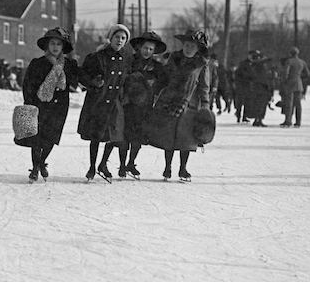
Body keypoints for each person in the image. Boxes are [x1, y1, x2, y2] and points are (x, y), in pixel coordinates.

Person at [144, 29, 211, 183]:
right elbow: (164, 78)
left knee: (185, 139)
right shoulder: (174, 58)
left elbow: (204, 87)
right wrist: (154, 92)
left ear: (198, 49)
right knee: (168, 137)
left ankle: (183, 168)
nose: (188, 48)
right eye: (186, 45)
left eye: (192, 46)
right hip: (169, 101)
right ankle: (167, 167)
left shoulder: (202, 64)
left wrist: (205, 104)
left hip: (189, 105)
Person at [16, 28, 79, 182]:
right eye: (52, 43)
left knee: (51, 139)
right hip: (39, 106)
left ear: (63, 47)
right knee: (36, 139)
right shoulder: (38, 63)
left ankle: (42, 161)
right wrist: (29, 103)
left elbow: (78, 81)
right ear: (47, 45)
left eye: (59, 44)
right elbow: (28, 84)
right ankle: (35, 168)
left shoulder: (69, 64)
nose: (55, 47)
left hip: (59, 107)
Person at [77, 24, 132, 182]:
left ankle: (103, 164)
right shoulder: (97, 57)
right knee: (96, 136)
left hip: (116, 103)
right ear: (111, 38)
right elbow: (83, 74)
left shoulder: (127, 59)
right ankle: (92, 167)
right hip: (99, 102)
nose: (119, 41)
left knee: (114, 135)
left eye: (123, 38)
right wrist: (93, 82)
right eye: (117, 37)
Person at [118, 30, 167, 179]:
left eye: (151, 49)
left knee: (138, 138)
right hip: (128, 105)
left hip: (145, 106)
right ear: (139, 47)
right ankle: (121, 165)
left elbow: (164, 83)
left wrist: (155, 92)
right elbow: (122, 79)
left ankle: (131, 163)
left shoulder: (157, 67)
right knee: (124, 137)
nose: (147, 51)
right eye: (145, 48)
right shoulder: (129, 62)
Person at [280, 46, 310, 128]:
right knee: (298, 104)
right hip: (299, 84)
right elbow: (307, 74)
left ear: (290, 53)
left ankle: (288, 120)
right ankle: (298, 121)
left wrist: (284, 81)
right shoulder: (302, 62)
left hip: (290, 84)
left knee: (289, 103)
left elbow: (286, 73)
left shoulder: (289, 61)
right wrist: (299, 76)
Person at [244, 50, 272, 127]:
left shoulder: (255, 65)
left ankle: (258, 119)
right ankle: (258, 119)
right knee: (260, 104)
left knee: (259, 104)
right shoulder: (258, 66)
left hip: (259, 87)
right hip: (261, 87)